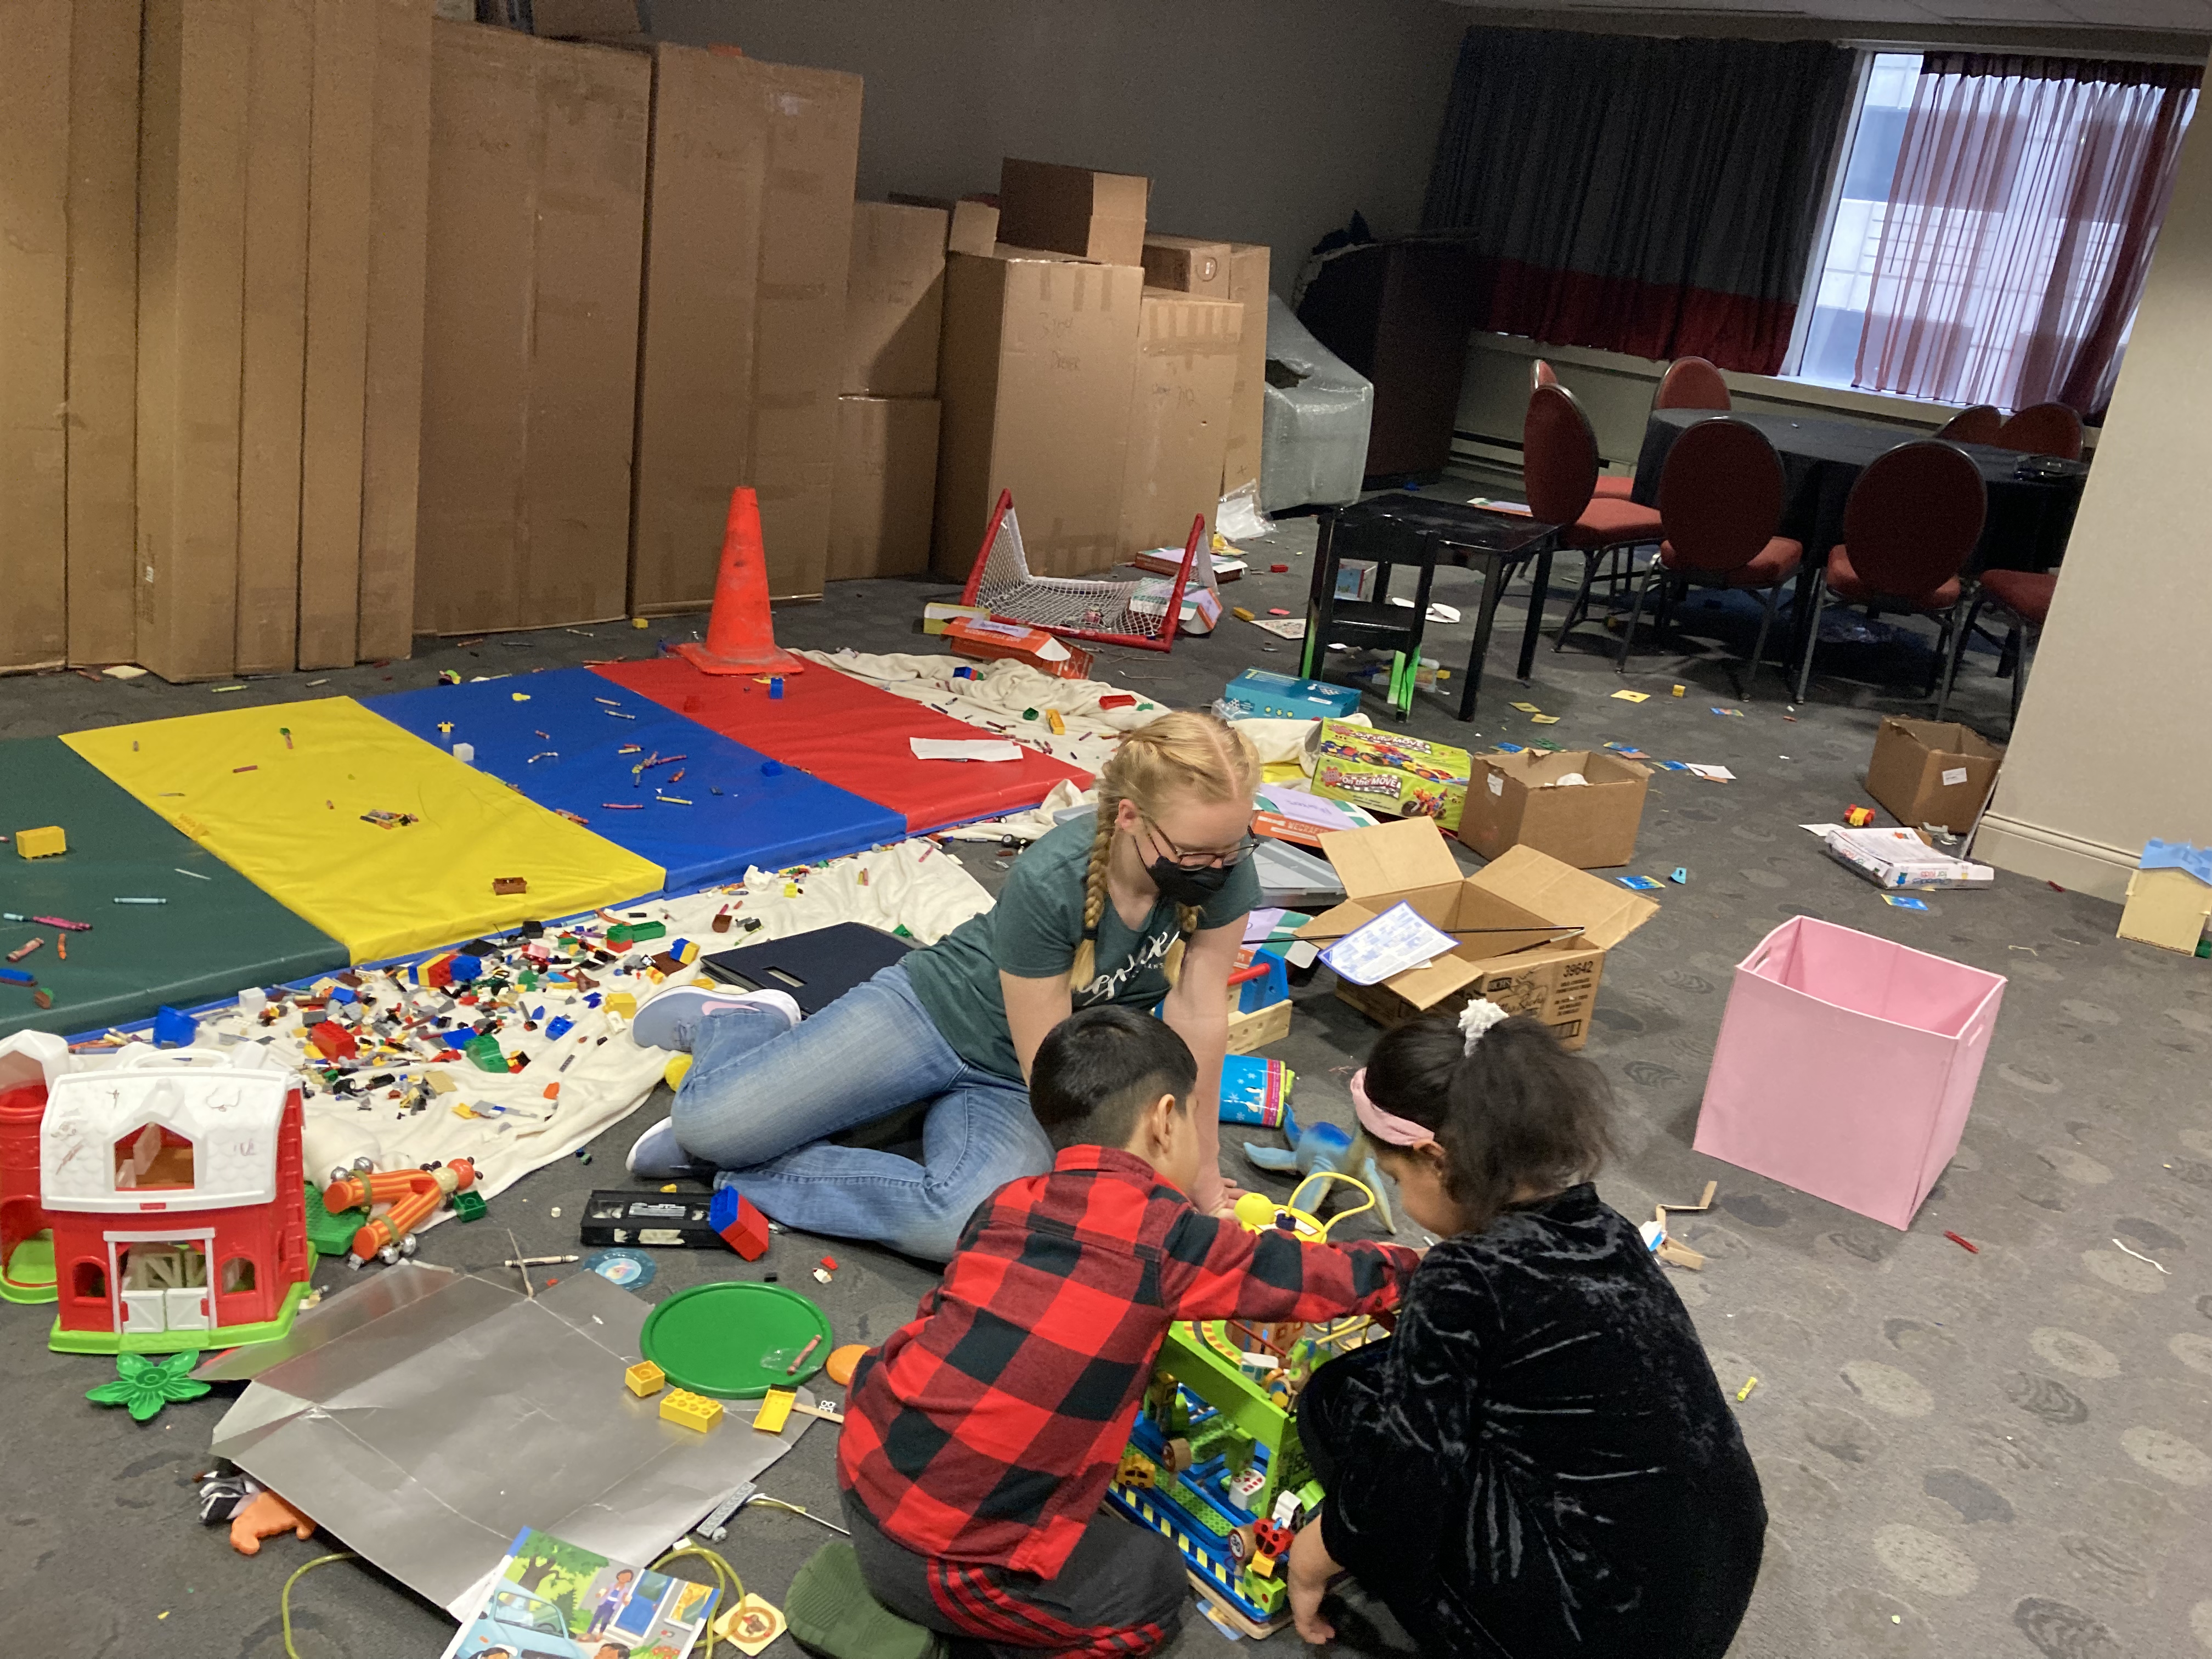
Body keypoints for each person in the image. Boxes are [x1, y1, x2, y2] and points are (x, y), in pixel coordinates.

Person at [814, 1006, 1421, 1659]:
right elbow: (1308, 1276)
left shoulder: (1008, 1200)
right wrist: (1418, 1271)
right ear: (1165, 1120)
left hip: (861, 1469)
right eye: (1195, 1115)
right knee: (1153, 1586)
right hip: (943, 1565)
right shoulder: (1169, 1239)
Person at [623, 710, 1263, 1261]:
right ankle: (740, 1025)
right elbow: (1049, 1065)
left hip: (1017, 1084)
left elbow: (1200, 1019)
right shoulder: (1053, 878)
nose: (1216, 868)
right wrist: (1120, 1191)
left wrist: (1200, 1178)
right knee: (708, 1123)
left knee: (964, 1227)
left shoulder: (1222, 864)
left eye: (1230, 851)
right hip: (938, 1017)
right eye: (1194, 854)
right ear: (1129, 817)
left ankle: (741, 1174)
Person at [1285, 1001, 1768, 1657]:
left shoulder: (1462, 1275)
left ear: (1437, 1159)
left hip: (1595, 1628)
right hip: (1712, 1582)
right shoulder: (1606, 1230)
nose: (1400, 1198)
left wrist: (1316, 1553)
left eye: (1397, 1178)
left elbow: (1403, 1481)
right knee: (1389, 1382)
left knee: (1338, 1398)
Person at [584, 1569, 634, 1638]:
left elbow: (625, 1599)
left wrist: (627, 1601)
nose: (624, 1578)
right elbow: (605, 1591)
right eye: (623, 1575)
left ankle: (600, 1634)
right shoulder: (612, 1585)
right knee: (596, 1618)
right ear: (619, 1576)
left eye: (627, 1577)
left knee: (605, 1620)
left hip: (612, 1607)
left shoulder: (625, 1590)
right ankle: (588, 1634)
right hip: (604, 1604)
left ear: (629, 1580)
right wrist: (600, 1594)